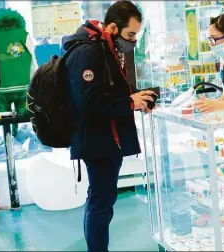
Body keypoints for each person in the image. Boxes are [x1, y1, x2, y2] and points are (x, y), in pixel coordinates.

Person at [62, 1, 154, 251]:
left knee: (102, 199)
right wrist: (128, 103)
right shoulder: (88, 52)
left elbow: (109, 89)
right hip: (97, 140)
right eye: (130, 35)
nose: (133, 41)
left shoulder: (105, 49)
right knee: (101, 202)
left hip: (106, 138)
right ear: (113, 27)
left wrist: (136, 98)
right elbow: (89, 101)